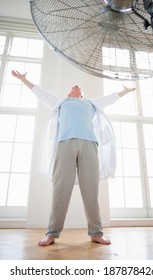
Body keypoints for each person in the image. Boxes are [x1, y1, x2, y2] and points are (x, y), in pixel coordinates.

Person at [12, 70, 135, 246]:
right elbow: (40, 92)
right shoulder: (61, 102)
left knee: (91, 190)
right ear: (68, 94)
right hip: (65, 145)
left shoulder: (91, 103)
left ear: (82, 95)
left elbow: (111, 98)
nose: (76, 86)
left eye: (79, 87)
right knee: (60, 189)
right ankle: (52, 233)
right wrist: (24, 79)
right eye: (73, 87)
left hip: (90, 145)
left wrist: (125, 91)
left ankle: (96, 233)